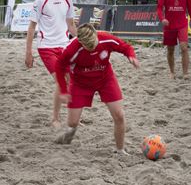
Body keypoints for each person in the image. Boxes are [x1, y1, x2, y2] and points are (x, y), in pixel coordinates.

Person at [54, 23, 140, 154]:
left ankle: (120, 150)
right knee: (72, 123)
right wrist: (64, 91)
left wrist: (131, 56)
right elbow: (59, 67)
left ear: (96, 35)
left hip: (105, 79)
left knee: (119, 115)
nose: (92, 48)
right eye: (88, 46)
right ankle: (69, 133)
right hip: (80, 83)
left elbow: (125, 47)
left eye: (93, 44)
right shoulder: (71, 49)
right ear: (80, 42)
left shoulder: (105, 38)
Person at [25, 0, 77, 128]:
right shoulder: (41, 1)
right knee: (61, 80)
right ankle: (55, 118)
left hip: (64, 45)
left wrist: (82, 41)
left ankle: (73, 118)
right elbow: (32, 28)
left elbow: (71, 25)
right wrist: (28, 52)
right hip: (46, 46)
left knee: (71, 81)